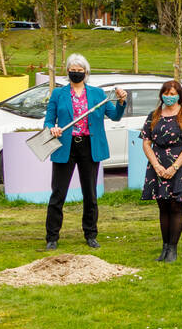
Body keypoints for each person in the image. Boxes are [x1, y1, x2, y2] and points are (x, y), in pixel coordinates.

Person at [42, 55, 128, 250]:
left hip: (89, 146)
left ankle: (91, 234)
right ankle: (52, 237)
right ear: (67, 72)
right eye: (73, 70)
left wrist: (122, 101)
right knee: (58, 192)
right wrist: (52, 128)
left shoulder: (98, 94)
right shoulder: (58, 94)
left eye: (80, 71)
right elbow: (48, 120)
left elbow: (114, 116)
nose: (76, 73)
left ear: (86, 73)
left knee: (90, 193)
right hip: (66, 146)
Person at [140, 79, 182, 262]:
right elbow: (146, 142)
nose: (169, 97)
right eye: (166, 94)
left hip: (178, 166)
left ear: (179, 96)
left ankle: (173, 248)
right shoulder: (154, 115)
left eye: (173, 94)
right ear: (161, 95)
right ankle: (165, 246)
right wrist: (157, 166)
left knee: (175, 205)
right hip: (157, 167)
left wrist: (174, 167)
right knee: (162, 206)